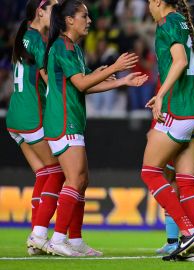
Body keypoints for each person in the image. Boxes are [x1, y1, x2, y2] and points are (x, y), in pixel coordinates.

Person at [42, 0, 147, 256]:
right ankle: (57, 238)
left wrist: (121, 81)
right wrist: (114, 67)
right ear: (69, 20)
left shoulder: (74, 49)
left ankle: (75, 240)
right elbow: (80, 83)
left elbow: (87, 84)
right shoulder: (63, 46)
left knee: (82, 180)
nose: (89, 21)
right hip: (63, 121)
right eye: (84, 16)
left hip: (72, 121)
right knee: (75, 179)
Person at [142, 0, 194, 262]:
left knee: (150, 171)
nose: (148, 6)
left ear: (158, 2)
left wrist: (160, 95)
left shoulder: (168, 23)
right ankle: (191, 248)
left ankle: (188, 231)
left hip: (178, 107)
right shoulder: (185, 22)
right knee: (186, 179)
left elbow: (179, 62)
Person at [6, 0, 66, 256]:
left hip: (14, 118)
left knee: (43, 174)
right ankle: (39, 234)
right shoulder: (38, 41)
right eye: (52, 6)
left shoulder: (24, 38)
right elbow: (47, 78)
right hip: (32, 117)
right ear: (39, 12)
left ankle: (35, 238)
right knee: (59, 172)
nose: (57, 11)